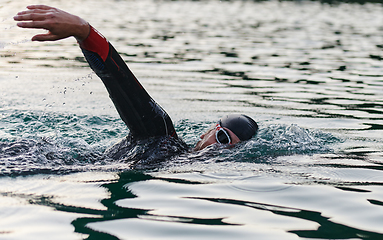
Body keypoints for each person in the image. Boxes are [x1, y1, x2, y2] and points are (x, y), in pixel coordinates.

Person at [13, 5, 258, 165]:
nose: (222, 151)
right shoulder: (163, 137)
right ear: (206, 133)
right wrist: (85, 32)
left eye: (234, 150)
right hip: (28, 157)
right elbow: (123, 85)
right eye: (223, 138)